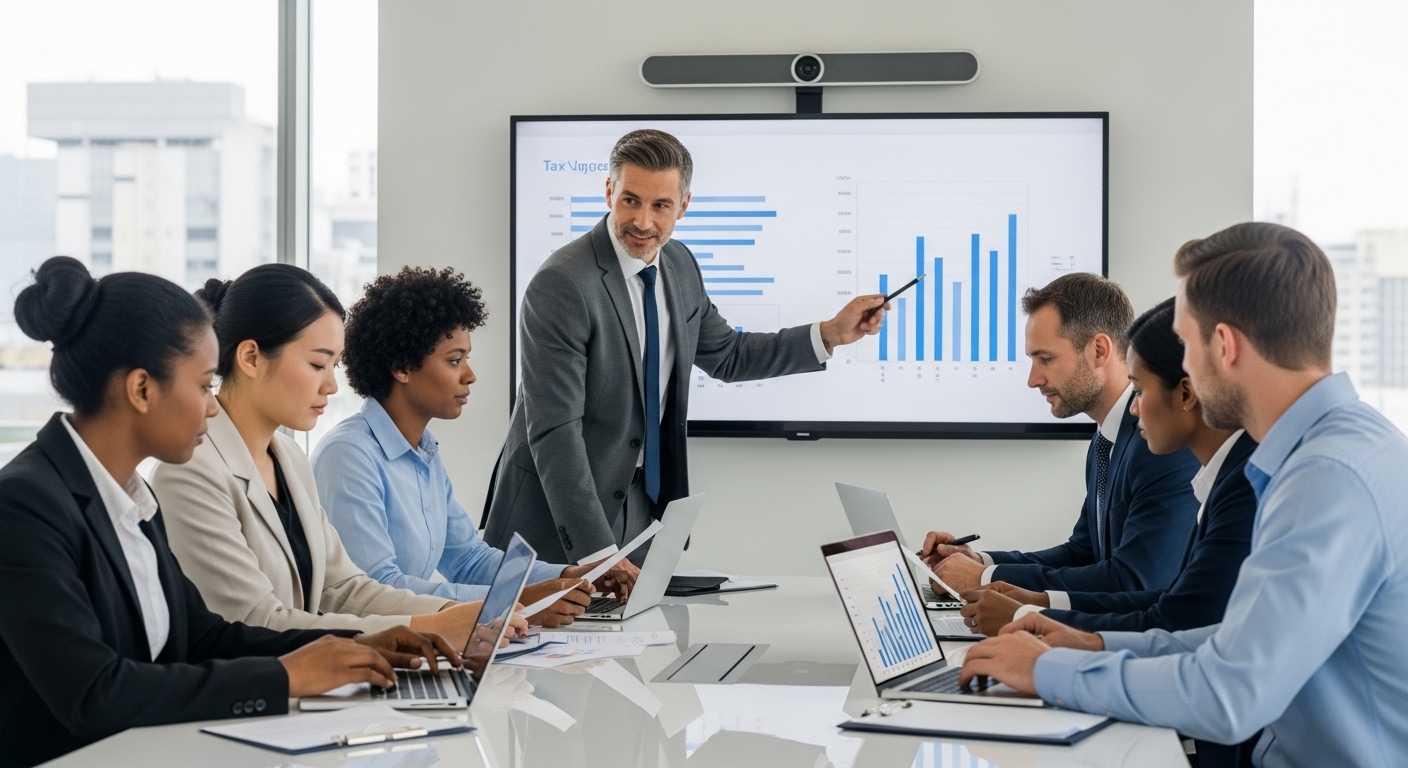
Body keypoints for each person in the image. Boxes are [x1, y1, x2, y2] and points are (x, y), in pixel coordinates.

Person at [958, 222, 1408, 768]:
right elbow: (1230, 643)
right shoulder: (1348, 446)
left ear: (1224, 347)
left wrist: (1046, 670)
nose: (1183, 367)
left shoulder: (1324, 478)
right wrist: (1089, 645)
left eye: (1187, 343)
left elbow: (1228, 693)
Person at [0, 257, 463, 767]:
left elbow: (205, 634)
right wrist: (285, 676)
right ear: (142, 389)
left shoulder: (131, 497)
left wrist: (358, 645)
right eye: (203, 386)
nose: (212, 405)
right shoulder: (25, 505)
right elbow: (95, 693)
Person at [482, 129, 888, 565]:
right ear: (609, 192)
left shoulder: (679, 265)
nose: (643, 222)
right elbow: (555, 431)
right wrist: (598, 555)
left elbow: (728, 355)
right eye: (630, 200)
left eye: (660, 205)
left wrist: (829, 334)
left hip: (639, 510)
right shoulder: (563, 284)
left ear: (684, 205)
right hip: (554, 524)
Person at [151, 265, 523, 650]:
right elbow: (257, 622)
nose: (330, 385)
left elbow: (345, 588)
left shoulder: (289, 458)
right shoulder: (190, 471)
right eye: (317, 364)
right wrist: (428, 627)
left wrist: (451, 612)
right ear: (251, 358)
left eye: (334, 366)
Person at [312, 266, 635, 627]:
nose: (470, 375)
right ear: (402, 366)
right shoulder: (348, 456)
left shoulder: (424, 452)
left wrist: (569, 575)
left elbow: (468, 560)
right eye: (455, 360)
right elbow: (376, 589)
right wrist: (515, 601)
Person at [959, 297, 1256, 637]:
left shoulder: (1235, 482)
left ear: (1186, 394)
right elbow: (1168, 601)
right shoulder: (1108, 442)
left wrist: (1026, 613)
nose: (1134, 408)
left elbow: (1164, 607)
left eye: (1139, 391)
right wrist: (1031, 599)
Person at [922, 273, 1201, 594]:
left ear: (1099, 350)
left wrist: (985, 579)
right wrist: (979, 562)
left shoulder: (1161, 442)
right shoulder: (1105, 441)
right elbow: (1084, 553)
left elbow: (1137, 580)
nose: (1033, 379)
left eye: (1046, 359)